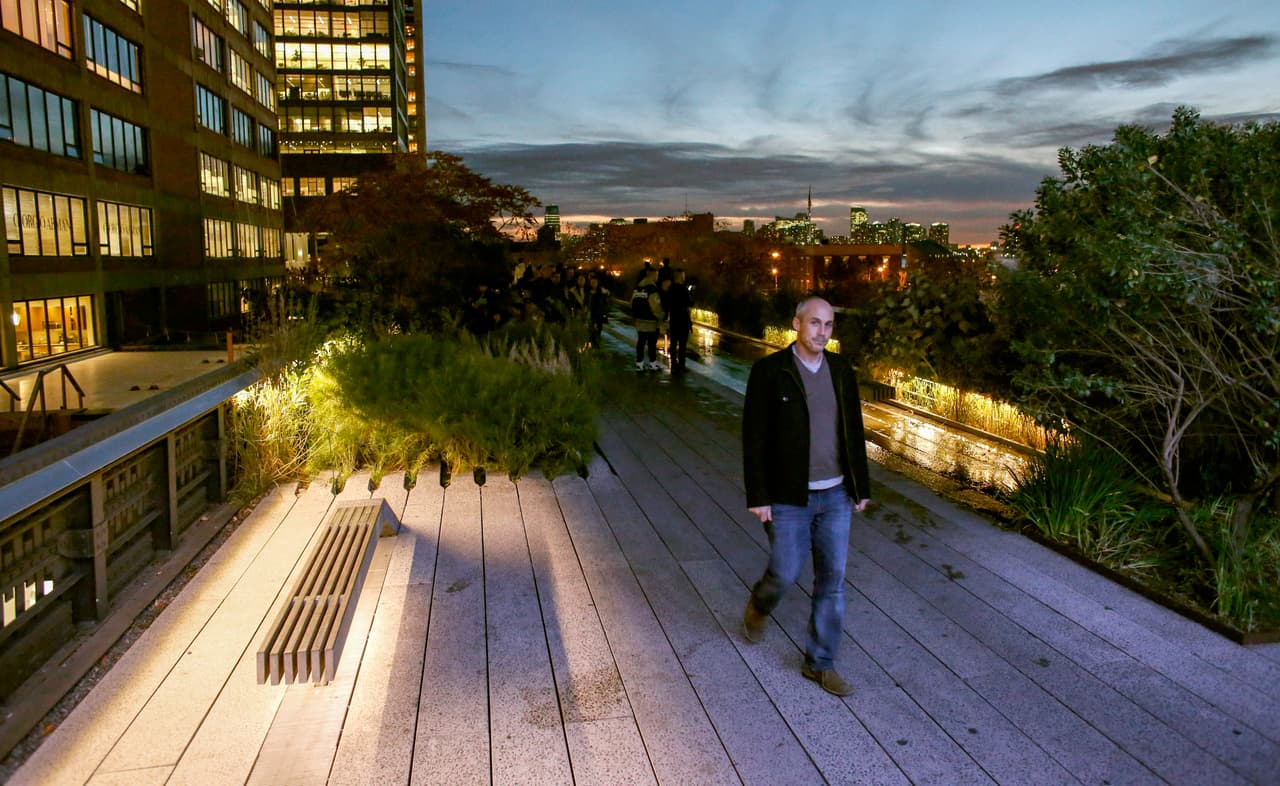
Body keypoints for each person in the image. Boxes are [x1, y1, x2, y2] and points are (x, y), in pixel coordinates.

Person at [740, 296, 871, 697]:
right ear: (797, 324)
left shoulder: (841, 370)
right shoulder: (770, 372)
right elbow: (754, 436)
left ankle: (820, 663)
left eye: (829, 325)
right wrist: (759, 495)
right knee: (785, 571)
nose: (823, 332)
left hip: (835, 494)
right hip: (787, 496)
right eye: (815, 324)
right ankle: (760, 606)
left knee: (832, 580)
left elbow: (853, 430)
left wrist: (860, 486)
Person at [631, 267, 664, 370]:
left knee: (640, 342)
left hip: (639, 320)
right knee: (651, 343)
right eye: (657, 275)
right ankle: (653, 364)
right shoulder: (652, 289)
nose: (657, 277)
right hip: (650, 321)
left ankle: (639, 364)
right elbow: (655, 306)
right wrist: (662, 316)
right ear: (653, 275)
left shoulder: (638, 287)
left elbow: (632, 302)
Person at [662, 269, 693, 372]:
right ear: (679, 277)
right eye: (683, 276)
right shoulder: (684, 290)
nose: (684, 277)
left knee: (674, 343)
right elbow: (690, 303)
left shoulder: (670, 289)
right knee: (682, 344)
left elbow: (666, 304)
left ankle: (674, 365)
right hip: (683, 319)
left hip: (674, 319)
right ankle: (681, 365)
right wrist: (691, 293)